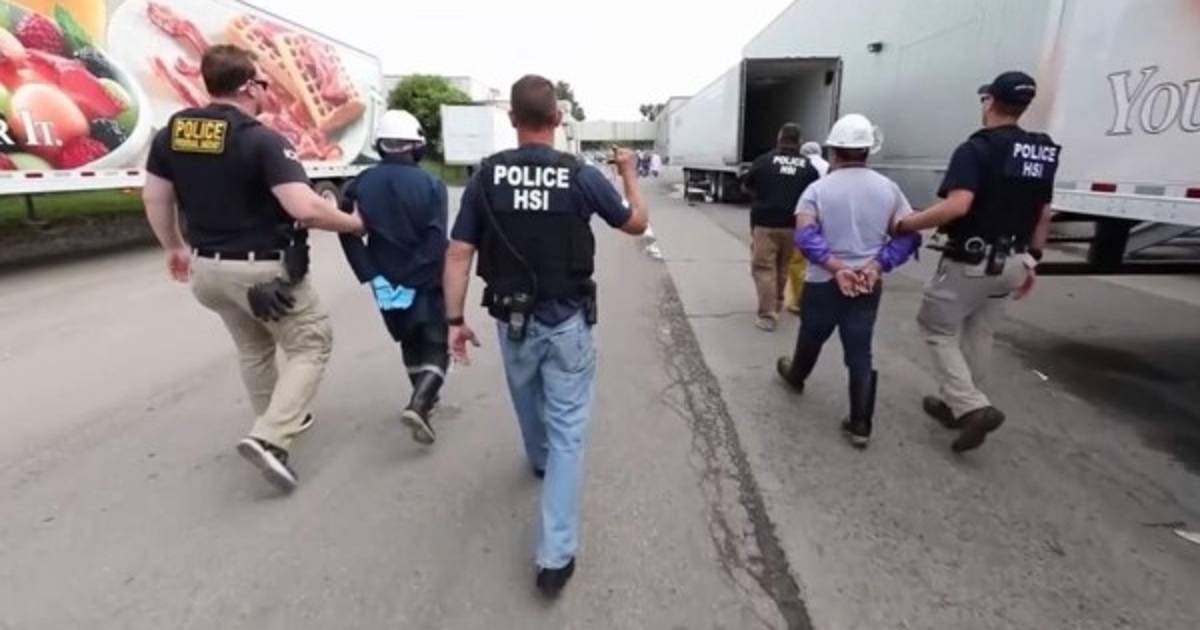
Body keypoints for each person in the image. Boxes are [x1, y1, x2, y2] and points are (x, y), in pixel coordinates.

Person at [443, 74, 649, 597]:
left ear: (513, 119)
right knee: (568, 432)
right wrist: (629, 174)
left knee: (525, 395)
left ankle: (539, 459)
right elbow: (635, 224)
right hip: (566, 321)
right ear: (557, 119)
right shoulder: (580, 176)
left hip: (511, 320)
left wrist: (454, 321)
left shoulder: (486, 177)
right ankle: (555, 557)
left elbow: (459, 252)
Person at [142, 45, 364, 492]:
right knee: (311, 344)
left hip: (208, 272)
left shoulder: (172, 135)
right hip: (262, 274)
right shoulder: (263, 140)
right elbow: (305, 208)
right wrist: (354, 223)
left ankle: (277, 419)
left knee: (254, 348)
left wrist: (174, 247)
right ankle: (270, 438)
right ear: (248, 87)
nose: (266, 90)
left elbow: (155, 197)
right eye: (263, 83)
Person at [894, 71, 1058, 453]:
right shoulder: (1038, 151)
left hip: (973, 260)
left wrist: (906, 224)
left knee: (936, 326)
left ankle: (971, 406)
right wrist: (1033, 257)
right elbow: (1044, 212)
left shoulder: (975, 149)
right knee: (980, 333)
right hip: (1016, 260)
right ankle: (958, 404)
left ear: (989, 102)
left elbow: (957, 206)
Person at [776, 114, 920, 448]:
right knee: (859, 350)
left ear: (833, 151)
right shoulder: (889, 189)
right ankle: (861, 423)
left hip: (823, 282)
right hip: (867, 283)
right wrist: (877, 265)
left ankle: (796, 376)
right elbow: (909, 235)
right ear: (868, 150)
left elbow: (805, 236)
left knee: (812, 334)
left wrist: (836, 267)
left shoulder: (817, 189)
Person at [338, 109, 449, 445]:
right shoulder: (431, 184)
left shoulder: (358, 184)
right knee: (436, 343)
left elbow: (347, 233)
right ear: (417, 146)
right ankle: (420, 403)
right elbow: (436, 240)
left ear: (380, 145)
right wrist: (415, 279)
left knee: (408, 339)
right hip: (425, 280)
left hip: (384, 281)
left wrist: (374, 276)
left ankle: (422, 402)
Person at [743, 123, 821, 331]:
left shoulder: (764, 161)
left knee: (764, 268)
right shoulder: (808, 168)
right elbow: (815, 195)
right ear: (800, 142)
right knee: (783, 267)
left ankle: (767, 315)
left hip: (765, 224)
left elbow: (747, 185)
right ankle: (776, 303)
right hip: (794, 226)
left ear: (779, 139)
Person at [783, 141, 831, 314]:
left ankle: (798, 301)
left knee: (798, 261)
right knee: (821, 260)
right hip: (825, 219)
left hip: (805, 218)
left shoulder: (803, 166)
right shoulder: (828, 167)